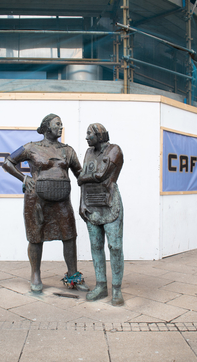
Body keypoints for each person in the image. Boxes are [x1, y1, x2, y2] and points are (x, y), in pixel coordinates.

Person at [2, 114, 88, 293]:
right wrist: (24, 178)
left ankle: (73, 276)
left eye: (62, 124)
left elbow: (81, 175)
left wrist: (97, 181)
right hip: (36, 199)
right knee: (35, 236)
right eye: (57, 124)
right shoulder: (31, 147)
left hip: (62, 199)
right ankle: (35, 274)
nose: (61, 127)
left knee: (70, 235)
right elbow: (8, 162)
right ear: (47, 127)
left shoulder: (68, 150)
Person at [78, 123, 124, 306]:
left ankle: (117, 289)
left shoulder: (114, 150)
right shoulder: (89, 153)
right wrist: (82, 203)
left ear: (100, 135)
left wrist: (82, 178)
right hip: (91, 203)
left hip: (110, 202)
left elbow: (101, 175)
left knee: (115, 246)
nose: (87, 137)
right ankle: (101, 285)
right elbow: (84, 181)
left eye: (89, 134)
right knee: (96, 246)